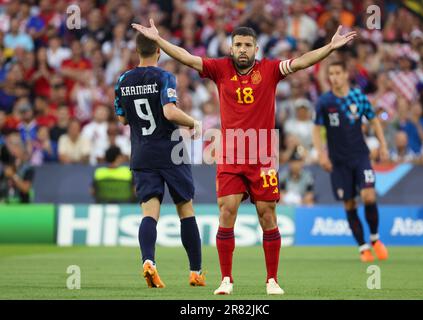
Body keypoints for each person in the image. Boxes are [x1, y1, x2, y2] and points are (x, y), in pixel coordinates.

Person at [132, 18, 356, 295]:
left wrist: (330, 48)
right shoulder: (220, 68)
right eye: (237, 44)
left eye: (247, 45)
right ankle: (226, 279)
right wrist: (159, 41)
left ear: (256, 48)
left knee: (267, 215)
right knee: (227, 212)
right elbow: (187, 58)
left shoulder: (271, 70)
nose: (242, 50)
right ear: (231, 47)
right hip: (230, 155)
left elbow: (300, 62)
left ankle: (272, 280)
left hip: (262, 155)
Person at [114, 33, 204, 289]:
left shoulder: (123, 80)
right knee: (185, 210)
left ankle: (149, 261)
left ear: (136, 50)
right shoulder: (164, 77)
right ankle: (195, 272)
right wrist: (194, 122)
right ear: (159, 51)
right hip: (170, 151)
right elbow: (169, 111)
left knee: (149, 214)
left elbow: (122, 119)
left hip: (141, 153)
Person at [312, 61, 389, 263]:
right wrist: (321, 154)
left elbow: (373, 120)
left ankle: (375, 239)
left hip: (361, 156)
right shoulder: (324, 102)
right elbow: (316, 129)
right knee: (349, 202)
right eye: (331, 74)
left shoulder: (358, 97)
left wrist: (383, 145)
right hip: (338, 161)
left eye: (338, 72)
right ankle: (363, 247)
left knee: (369, 196)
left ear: (346, 74)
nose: (334, 77)